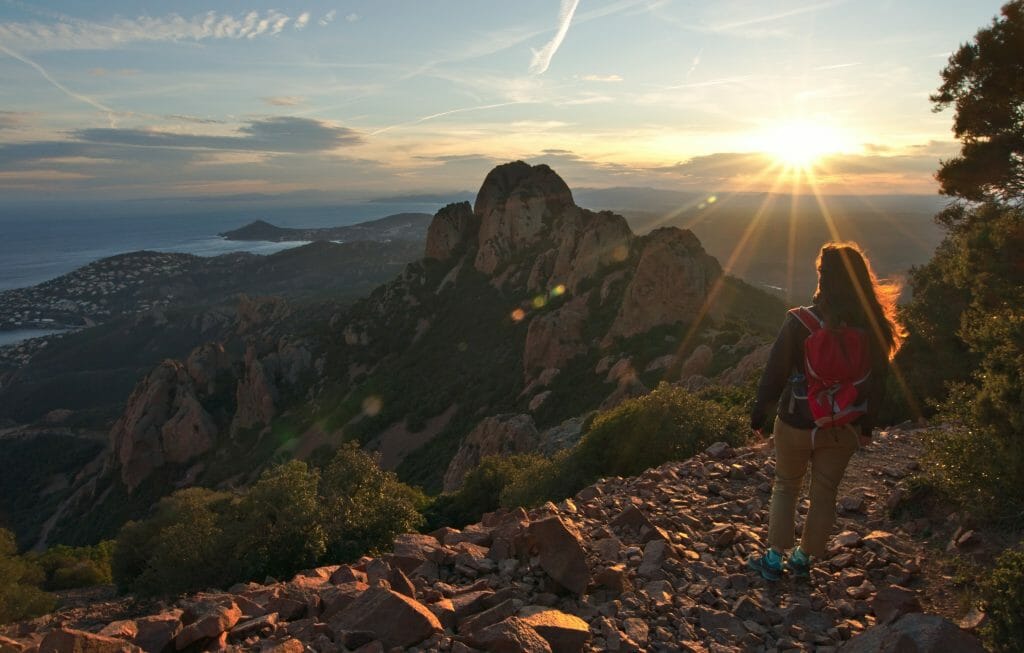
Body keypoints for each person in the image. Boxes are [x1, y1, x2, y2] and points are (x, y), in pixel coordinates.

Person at [747, 242, 904, 580]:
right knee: (824, 492)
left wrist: (758, 416)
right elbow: (878, 383)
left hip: (796, 419)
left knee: (786, 485)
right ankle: (804, 559)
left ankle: (774, 560)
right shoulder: (875, 327)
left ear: (823, 276)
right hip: (844, 423)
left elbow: (774, 374)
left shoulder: (800, 321)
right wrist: (866, 428)